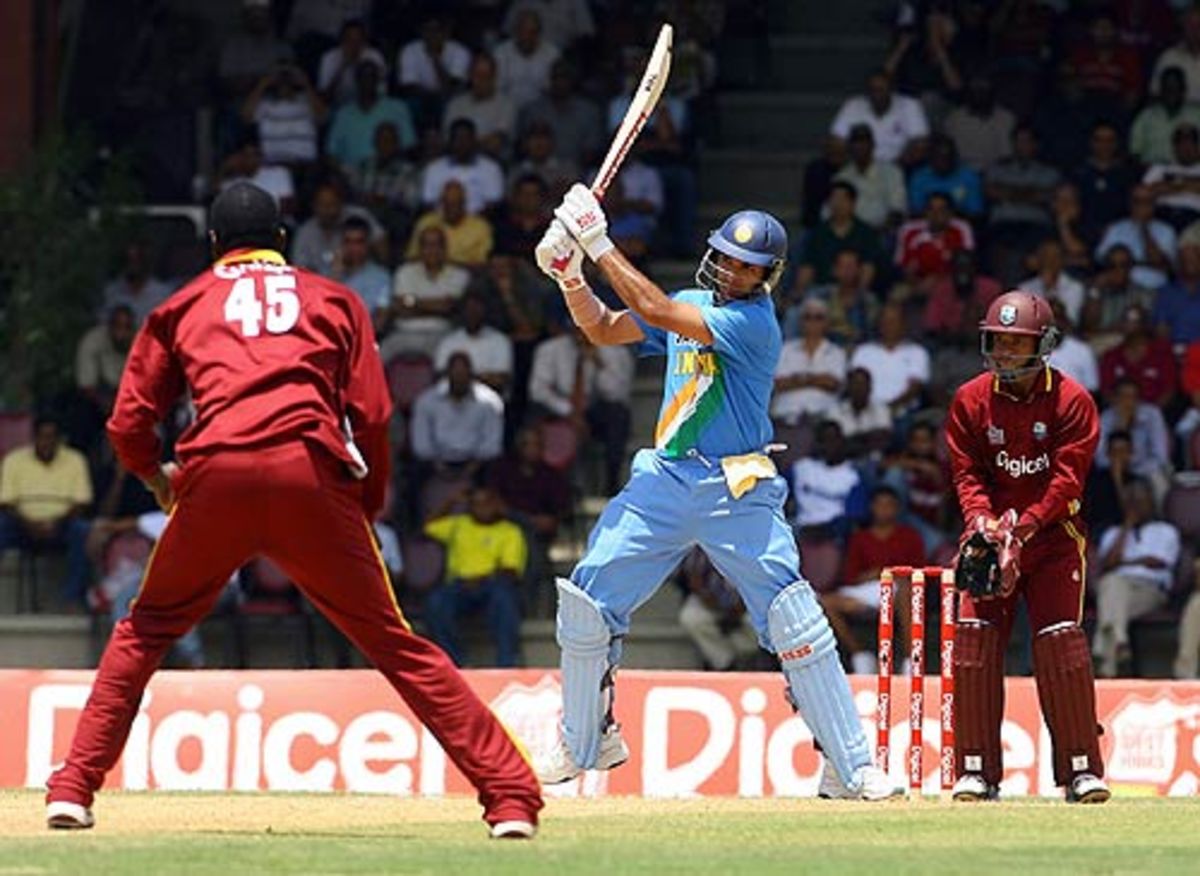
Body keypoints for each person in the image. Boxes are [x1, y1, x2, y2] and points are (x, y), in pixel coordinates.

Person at [42, 183, 542, 838]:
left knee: (144, 631)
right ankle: (509, 799)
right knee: (397, 645)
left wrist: (155, 476)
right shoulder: (336, 299)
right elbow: (374, 414)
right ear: (282, 240)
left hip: (215, 477)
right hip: (309, 476)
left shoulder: (181, 305)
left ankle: (73, 791)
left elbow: (129, 422)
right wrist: (366, 500)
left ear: (214, 246)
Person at [530, 186, 896, 799]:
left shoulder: (753, 324)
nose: (735, 271)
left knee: (793, 615)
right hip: (665, 479)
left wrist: (596, 243)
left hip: (738, 485)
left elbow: (657, 308)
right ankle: (585, 738)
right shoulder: (689, 301)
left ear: (768, 277)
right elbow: (602, 329)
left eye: (750, 267)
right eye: (729, 258)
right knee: (587, 600)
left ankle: (850, 764)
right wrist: (570, 278)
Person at [945, 289, 1110, 804]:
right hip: (993, 538)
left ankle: (1080, 769)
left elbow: (1067, 482)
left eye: (1017, 345)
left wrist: (1027, 527)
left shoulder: (1072, 401)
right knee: (972, 641)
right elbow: (967, 473)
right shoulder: (971, 399)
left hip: (1054, 540)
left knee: (1060, 643)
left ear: (1043, 346)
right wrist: (983, 524)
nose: (1005, 354)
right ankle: (975, 770)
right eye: (998, 342)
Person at [820, 485, 925, 675]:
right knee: (826, 602)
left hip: (898, 589)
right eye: (880, 505)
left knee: (905, 588)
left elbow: (919, 572)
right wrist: (872, 575)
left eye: (889, 505)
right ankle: (860, 654)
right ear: (872, 508)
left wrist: (889, 573)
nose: (884, 510)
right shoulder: (860, 537)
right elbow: (850, 578)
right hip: (867, 591)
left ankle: (911, 659)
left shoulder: (909, 535)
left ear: (897, 508)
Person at [423, 484, 527, 668]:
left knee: (504, 599)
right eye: (476, 503)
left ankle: (506, 663)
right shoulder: (458, 524)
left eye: (487, 502)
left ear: (496, 504)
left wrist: (480, 579)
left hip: (491, 584)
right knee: (435, 602)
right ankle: (457, 663)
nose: (482, 507)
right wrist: (450, 502)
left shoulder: (510, 531)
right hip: (458, 587)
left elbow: (510, 571)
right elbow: (428, 526)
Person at [1092, 478, 1181, 677]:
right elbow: (1107, 565)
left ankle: (1103, 656)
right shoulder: (1113, 533)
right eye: (1130, 501)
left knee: (1111, 592)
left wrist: (1125, 563)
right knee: (1112, 585)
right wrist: (1127, 526)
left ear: (1151, 500)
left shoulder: (1166, 531)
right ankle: (1118, 648)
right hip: (1117, 591)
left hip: (1149, 591)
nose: (1135, 505)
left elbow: (1157, 562)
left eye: (1139, 499)